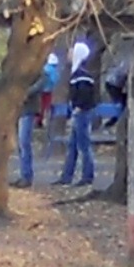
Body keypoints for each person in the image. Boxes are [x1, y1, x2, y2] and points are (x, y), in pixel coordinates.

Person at [55, 41, 100, 187]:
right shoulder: (76, 73)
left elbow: (85, 94)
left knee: (84, 145)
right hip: (78, 113)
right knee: (73, 146)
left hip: (82, 114)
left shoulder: (82, 75)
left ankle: (87, 176)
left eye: (72, 51)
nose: (69, 54)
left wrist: (78, 107)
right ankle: (66, 176)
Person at [14, 51, 58, 188]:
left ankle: (27, 176)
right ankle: (23, 174)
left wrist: (25, 93)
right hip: (18, 109)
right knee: (20, 144)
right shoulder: (18, 69)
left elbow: (41, 83)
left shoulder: (37, 69)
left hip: (28, 109)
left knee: (24, 142)